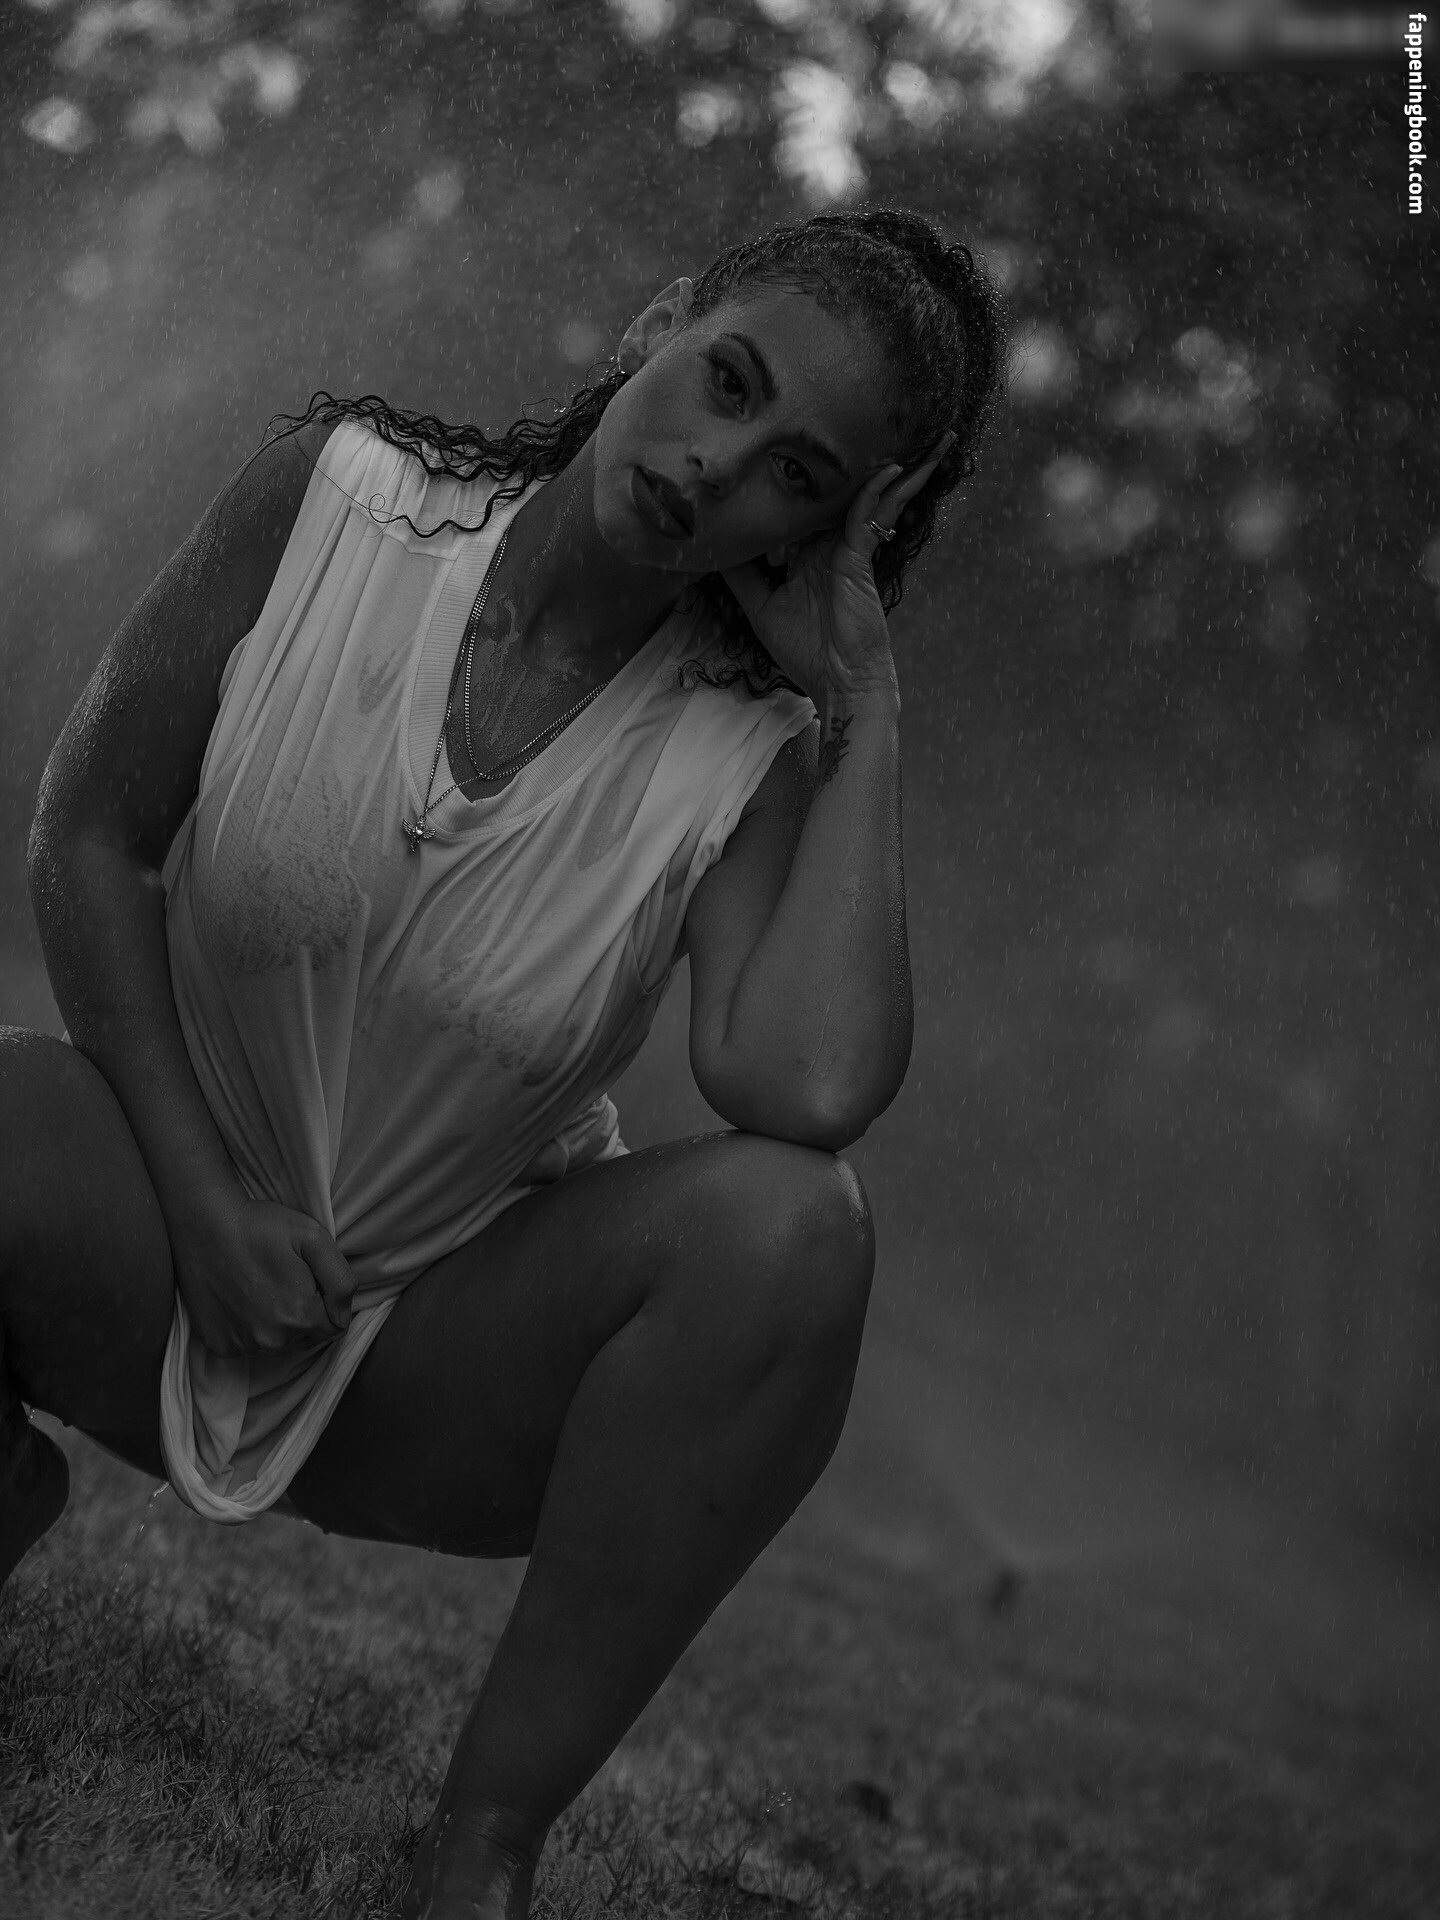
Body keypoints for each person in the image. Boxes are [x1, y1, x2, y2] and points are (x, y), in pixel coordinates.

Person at [0, 205, 1010, 1918]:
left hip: (422, 1362)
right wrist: (205, 1202)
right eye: (730, 380)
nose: (719, 465)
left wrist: (866, 715)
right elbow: (90, 837)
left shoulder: (749, 753)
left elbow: (811, 1091)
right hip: (154, 1228)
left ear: (824, 534)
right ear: (663, 318)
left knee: (796, 1230)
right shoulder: (334, 499)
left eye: (795, 473)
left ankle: (480, 1848)